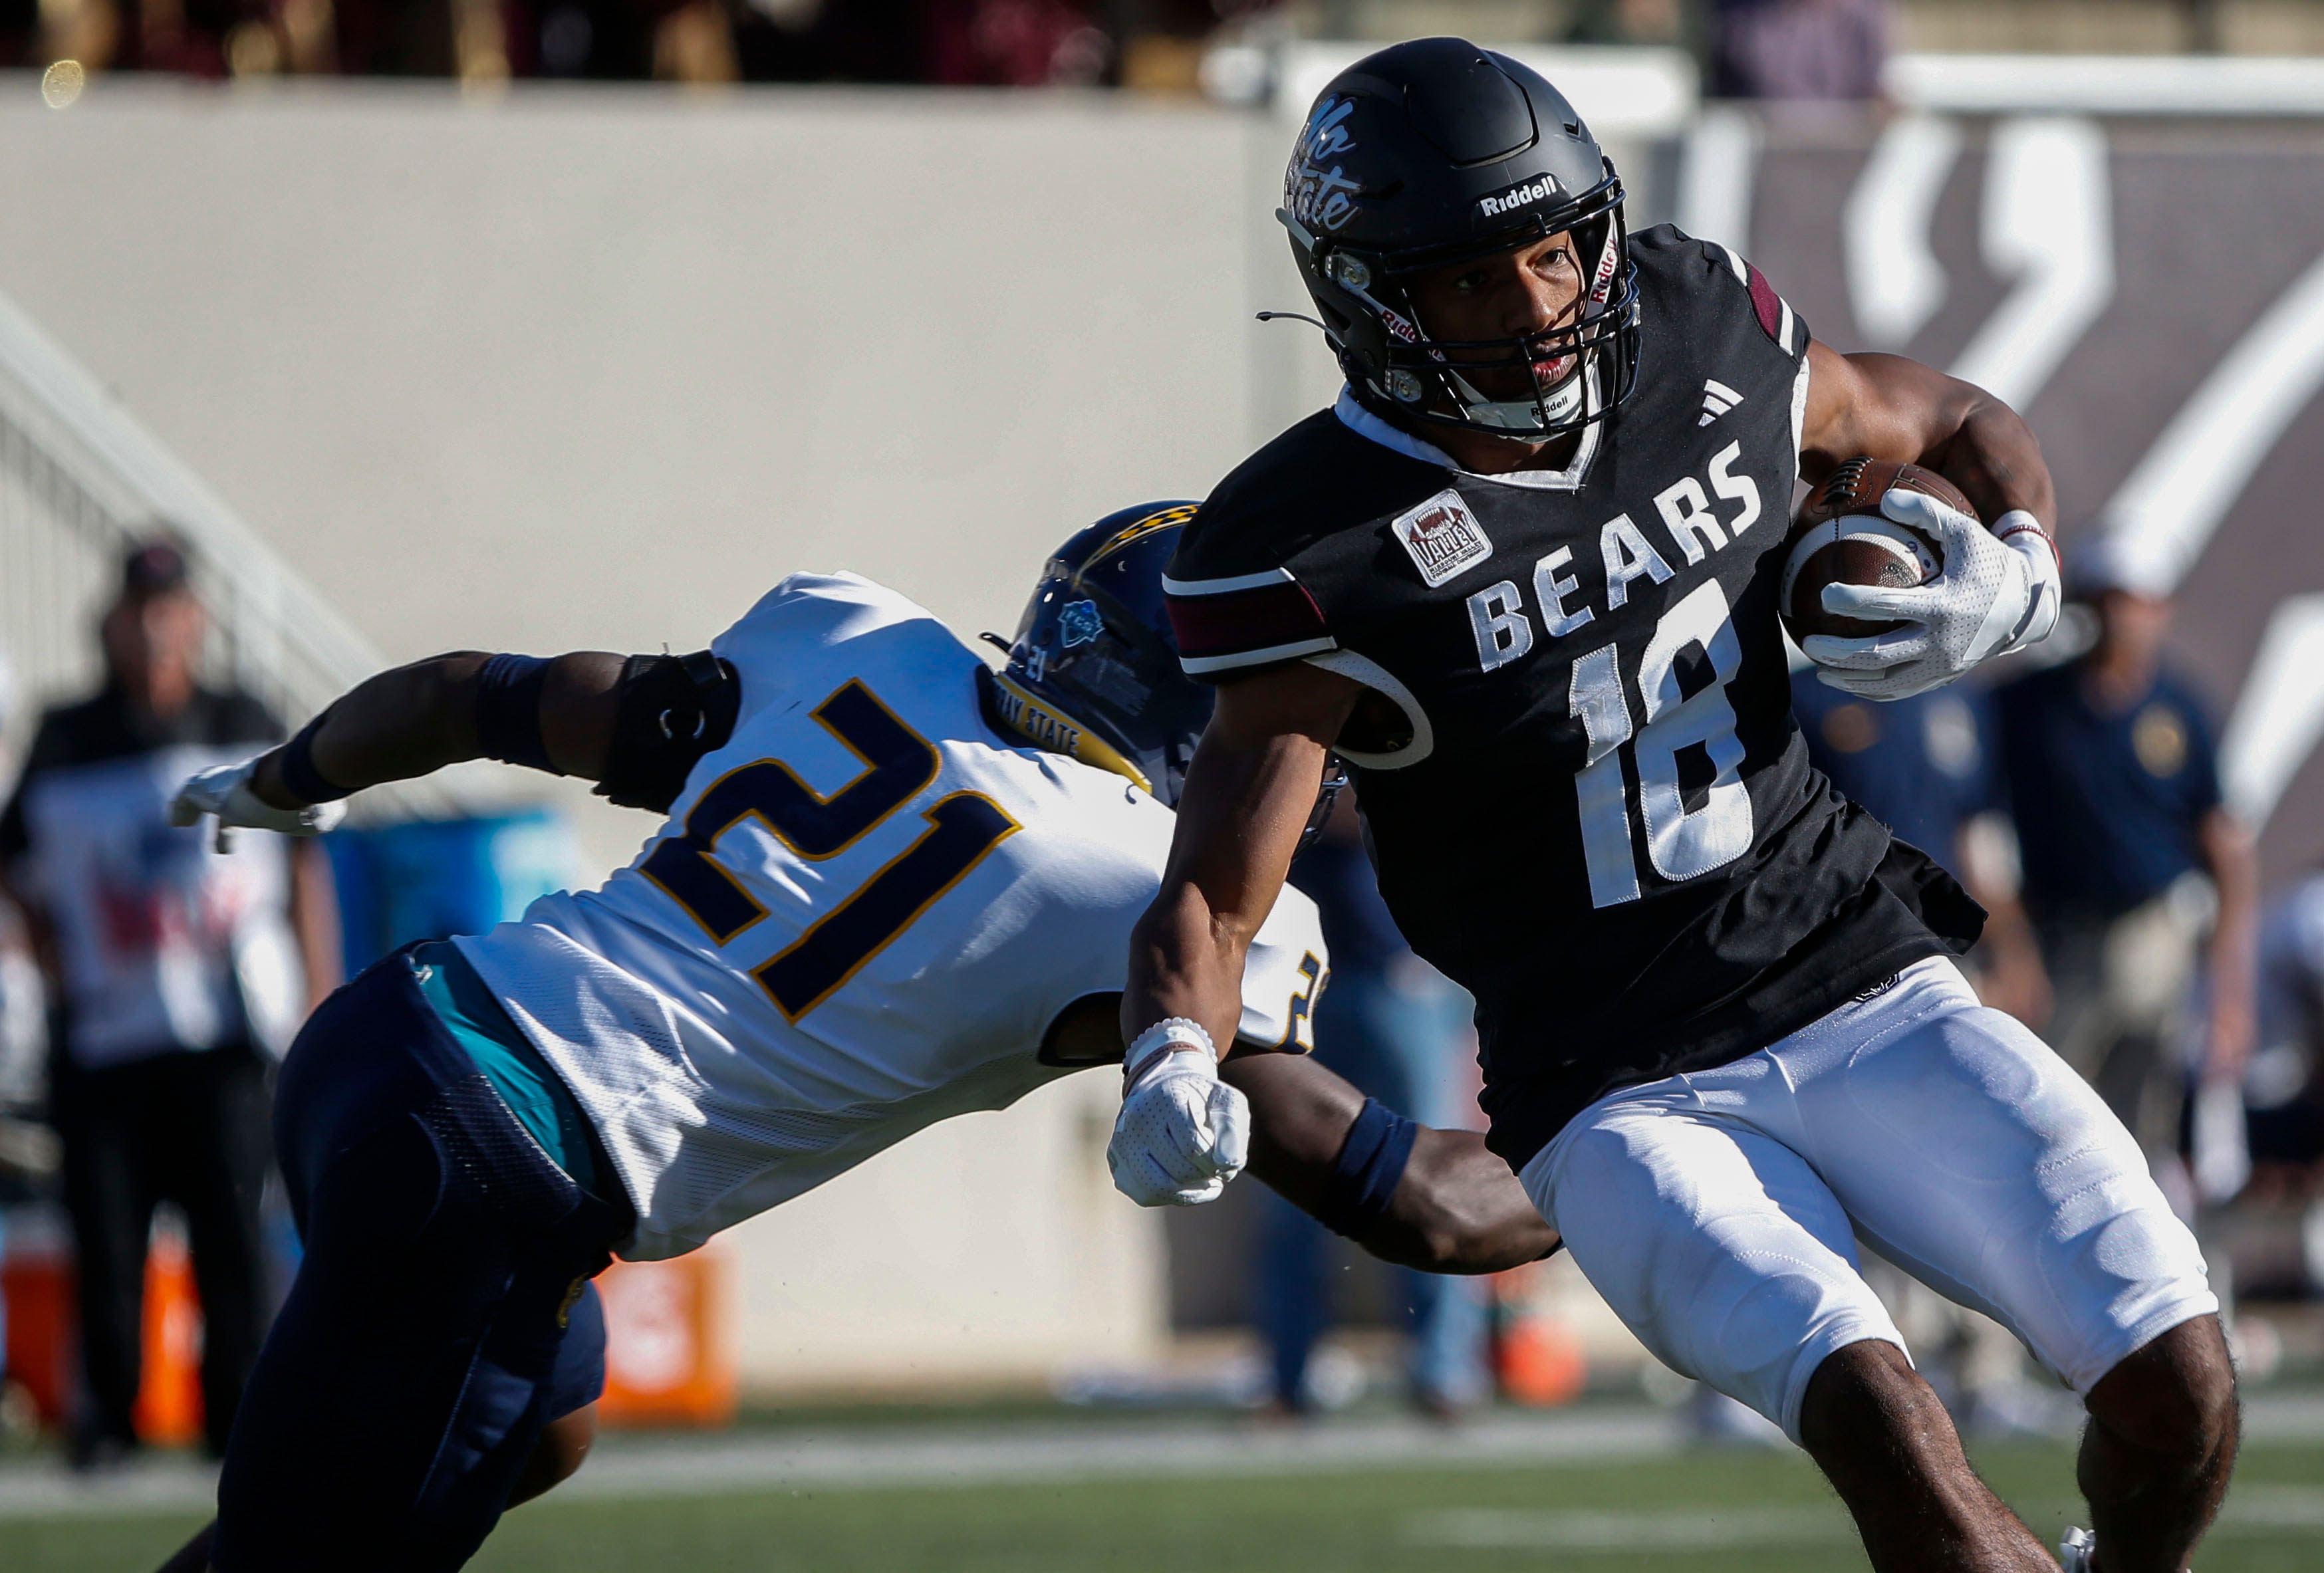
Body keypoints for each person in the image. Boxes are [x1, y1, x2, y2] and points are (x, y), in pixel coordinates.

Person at [1112, 40, 2232, 1573]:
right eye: (1474, 281)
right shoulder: (1311, 548)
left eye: (1557, 250)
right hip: (1614, 1087)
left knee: (2184, 1391)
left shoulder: (1704, 332)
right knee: (1889, 1428)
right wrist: (1173, 1046)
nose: (1540, 304)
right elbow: (1211, 896)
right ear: (1369, 299)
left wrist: (2020, 556)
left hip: (1855, 974)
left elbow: (1947, 412)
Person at [156, 503, 1559, 1573]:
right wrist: (1634, 1137)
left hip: (396, 1035)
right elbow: (1420, 1203)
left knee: (541, 1421)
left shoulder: (856, 643)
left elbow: (466, 692)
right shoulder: (1142, 887)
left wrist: (287, 780)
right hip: (496, 1169)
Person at [0, 540, 340, 1468]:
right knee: (105, 1239)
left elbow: (306, 861)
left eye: (171, 609)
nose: (155, 630)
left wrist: (319, 990)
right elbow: (17, 862)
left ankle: (238, 1424)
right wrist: (57, 966)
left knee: (231, 1234)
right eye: (139, 612)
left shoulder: (244, 718)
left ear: (194, 620)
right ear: (112, 623)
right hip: (107, 1034)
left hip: (225, 1031)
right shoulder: (68, 736)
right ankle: (107, 1424)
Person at [1995, 541, 2258, 1177]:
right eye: (2109, 601)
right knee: (2045, 1111)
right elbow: (1982, 827)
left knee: (2143, 1121)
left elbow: (2223, 847)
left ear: (2160, 608)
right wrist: (2012, 950)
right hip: (2063, 939)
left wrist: (2228, 994)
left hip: (2155, 934)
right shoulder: (2029, 708)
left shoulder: (2180, 707)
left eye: (2135, 601)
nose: (2122, 618)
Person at [1253, 792, 1487, 1417]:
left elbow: (1358, 807)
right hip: (1292, 983)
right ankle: (1288, 1377)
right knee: (1288, 1188)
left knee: (1438, 1179)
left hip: (1396, 975)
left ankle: (1444, 1373)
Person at [1789, 675, 2049, 1025]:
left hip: (1944, 940)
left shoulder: (1957, 695)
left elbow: (1978, 829)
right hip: (1850, 948)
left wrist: (2013, 947)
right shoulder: (1804, 696)